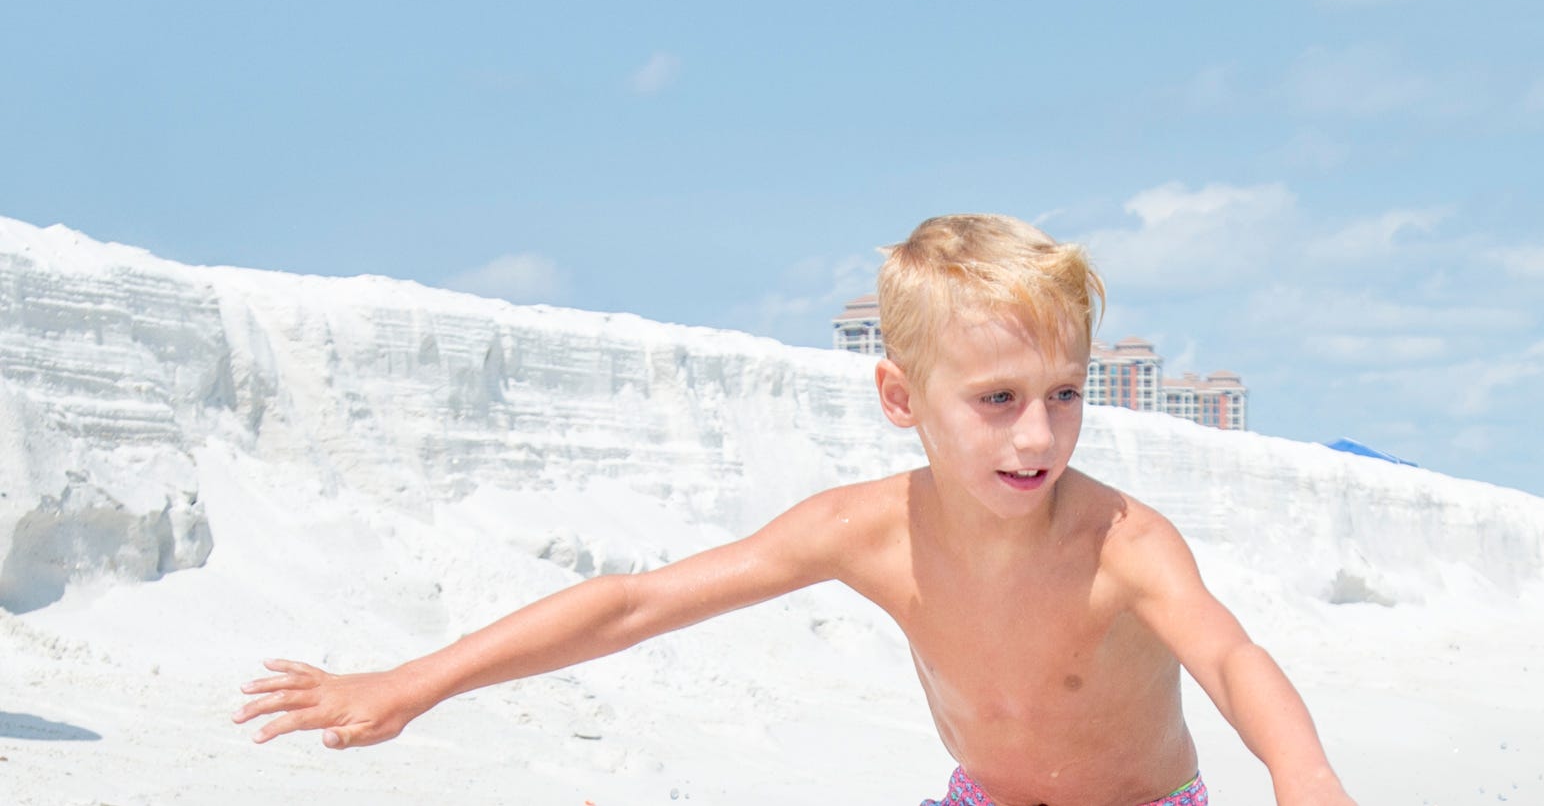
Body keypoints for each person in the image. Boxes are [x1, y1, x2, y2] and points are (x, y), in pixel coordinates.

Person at [236, 213, 1360, 806]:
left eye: (1064, 394)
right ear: (898, 396)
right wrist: (410, 682)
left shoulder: (1122, 540)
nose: (1037, 433)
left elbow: (1229, 656)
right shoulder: (862, 529)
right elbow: (633, 603)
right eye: (997, 399)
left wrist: (1300, 776)